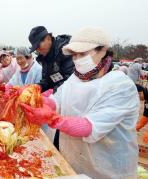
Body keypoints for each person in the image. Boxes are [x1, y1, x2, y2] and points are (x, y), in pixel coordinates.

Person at [20, 27, 139, 178]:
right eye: (74, 55)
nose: (77, 59)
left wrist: (52, 118)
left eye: (82, 54)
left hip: (108, 169)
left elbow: (90, 126)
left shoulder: (120, 85)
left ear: (103, 51)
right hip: (75, 162)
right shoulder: (75, 79)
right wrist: (30, 97)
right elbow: (56, 101)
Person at [29, 26, 74, 92]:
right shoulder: (44, 57)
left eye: (38, 46)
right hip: (57, 95)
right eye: (35, 48)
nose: (37, 50)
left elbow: (70, 79)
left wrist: (52, 92)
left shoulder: (64, 50)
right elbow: (46, 81)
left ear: (48, 38)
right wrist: (37, 87)